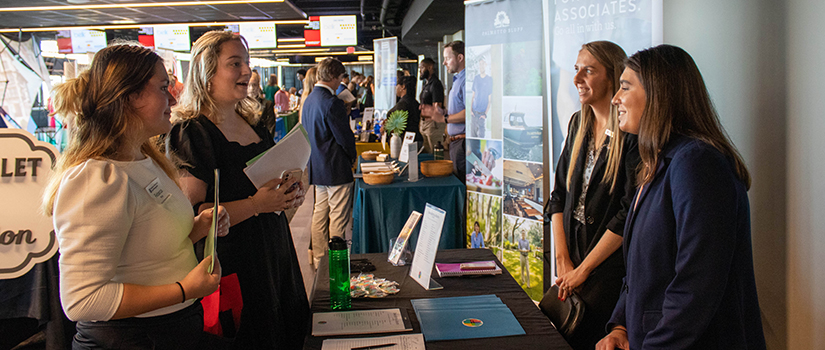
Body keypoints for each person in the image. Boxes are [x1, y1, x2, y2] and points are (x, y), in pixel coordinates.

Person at [43, 43, 228, 349]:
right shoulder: (97, 179)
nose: (173, 97)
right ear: (130, 97)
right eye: (162, 87)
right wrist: (183, 289)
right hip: (131, 339)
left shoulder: (144, 160)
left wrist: (197, 227)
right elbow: (82, 299)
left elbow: (141, 244)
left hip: (167, 331)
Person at [596, 44, 766, 350]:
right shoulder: (659, 163)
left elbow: (696, 285)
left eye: (625, 87)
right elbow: (640, 271)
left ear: (659, 94)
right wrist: (620, 324)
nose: (616, 99)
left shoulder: (698, 163)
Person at [166, 31, 310, 349]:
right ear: (206, 73)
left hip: (275, 254)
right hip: (237, 266)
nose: (246, 70)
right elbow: (192, 216)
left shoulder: (253, 124)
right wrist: (256, 204)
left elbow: (270, 184)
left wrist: (289, 194)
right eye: (234, 63)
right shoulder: (192, 133)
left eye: (246, 62)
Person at [542, 41, 639, 350]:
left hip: (607, 269)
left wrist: (583, 271)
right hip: (569, 259)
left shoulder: (632, 135)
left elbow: (628, 214)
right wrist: (562, 260)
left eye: (588, 70)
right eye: (576, 70)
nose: (577, 79)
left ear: (612, 76)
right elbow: (557, 196)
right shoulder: (576, 124)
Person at [303, 58, 357, 268]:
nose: (340, 83)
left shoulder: (309, 99)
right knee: (338, 217)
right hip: (335, 167)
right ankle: (336, 263)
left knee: (319, 214)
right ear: (334, 76)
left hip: (317, 166)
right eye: (340, 77)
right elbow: (344, 137)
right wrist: (352, 156)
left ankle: (319, 259)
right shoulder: (332, 102)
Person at [421, 41, 466, 181]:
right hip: (455, 143)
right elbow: (459, 109)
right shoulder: (458, 79)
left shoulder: (466, 80)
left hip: (462, 143)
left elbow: (470, 113)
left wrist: (443, 119)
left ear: (460, 58)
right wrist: (443, 112)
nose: (444, 63)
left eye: (447, 58)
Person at [418, 57, 446, 153]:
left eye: (422, 68)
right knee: (427, 153)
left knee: (435, 154)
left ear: (430, 67)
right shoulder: (426, 84)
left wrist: (428, 111)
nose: (420, 71)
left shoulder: (435, 84)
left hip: (433, 125)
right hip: (424, 124)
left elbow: (437, 108)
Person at [387, 76, 422, 144]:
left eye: (397, 85)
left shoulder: (403, 104)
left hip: (404, 141)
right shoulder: (415, 103)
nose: (395, 87)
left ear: (403, 87)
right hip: (416, 138)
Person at [470, 56, 492, 138]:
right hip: (474, 114)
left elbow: (490, 100)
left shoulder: (489, 80)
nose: (481, 66)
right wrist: (471, 111)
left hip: (482, 115)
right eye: (480, 64)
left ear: (486, 65)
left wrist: (485, 114)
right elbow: (473, 96)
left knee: (481, 137)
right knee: (473, 137)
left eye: (483, 64)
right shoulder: (476, 78)